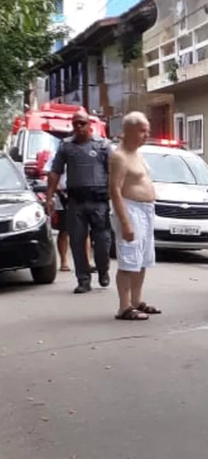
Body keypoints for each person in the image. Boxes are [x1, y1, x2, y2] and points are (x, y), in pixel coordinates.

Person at [46, 109, 113, 294]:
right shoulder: (66, 147)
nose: (78, 126)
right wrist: (50, 197)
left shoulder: (103, 146)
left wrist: (116, 197)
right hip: (76, 201)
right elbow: (54, 173)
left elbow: (114, 173)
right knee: (77, 241)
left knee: (103, 240)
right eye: (75, 123)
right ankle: (83, 279)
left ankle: (103, 269)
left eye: (82, 123)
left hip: (99, 201)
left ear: (89, 125)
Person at [108, 112, 160, 321]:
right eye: (141, 130)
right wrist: (125, 222)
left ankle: (137, 301)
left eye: (147, 130)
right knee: (129, 260)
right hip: (131, 209)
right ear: (127, 130)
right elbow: (115, 191)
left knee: (142, 259)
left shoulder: (137, 153)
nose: (146, 135)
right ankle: (124, 306)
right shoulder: (119, 157)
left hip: (146, 210)